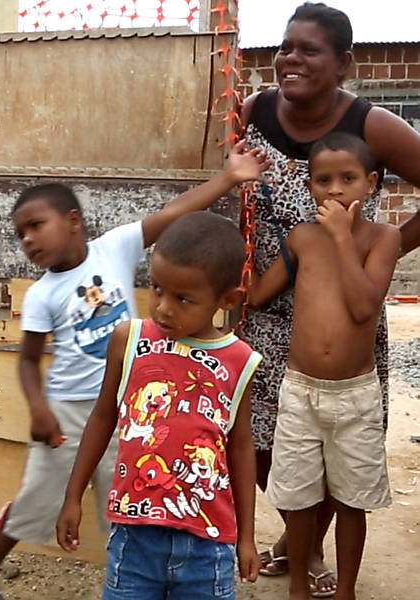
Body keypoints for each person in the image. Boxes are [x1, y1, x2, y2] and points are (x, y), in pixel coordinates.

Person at [0, 142, 269, 600]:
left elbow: (173, 213)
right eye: (21, 233)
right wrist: (40, 409)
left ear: (74, 221)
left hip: (138, 410)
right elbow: (27, 359)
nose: (28, 240)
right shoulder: (46, 294)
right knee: (40, 495)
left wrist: (227, 178)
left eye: (37, 226)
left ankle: (139, 570)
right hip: (73, 409)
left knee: (131, 492)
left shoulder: (115, 248)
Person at [239, 4, 420, 594]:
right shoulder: (256, 110)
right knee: (266, 438)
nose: (290, 58)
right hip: (273, 299)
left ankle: (308, 550)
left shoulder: (375, 127)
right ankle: (299, 536)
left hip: (345, 303)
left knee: (341, 447)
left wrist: (377, 251)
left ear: (343, 62)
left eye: (308, 49)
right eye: (285, 46)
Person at [56, 211, 262, 599]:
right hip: (135, 539)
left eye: (183, 298)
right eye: (157, 288)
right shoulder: (128, 340)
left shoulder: (239, 360)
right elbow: (103, 416)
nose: (164, 308)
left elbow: (240, 445)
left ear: (227, 299)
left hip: (209, 544)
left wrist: (247, 537)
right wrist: (73, 495)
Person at [249, 133, 398, 600]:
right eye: (323, 180)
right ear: (310, 185)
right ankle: (298, 586)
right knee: (297, 498)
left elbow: (363, 306)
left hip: (355, 396)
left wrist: (340, 237)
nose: (334, 190)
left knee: (352, 502)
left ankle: (346, 590)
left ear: (370, 183)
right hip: (299, 391)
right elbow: (256, 295)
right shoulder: (301, 239)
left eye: (348, 179)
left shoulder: (383, 238)